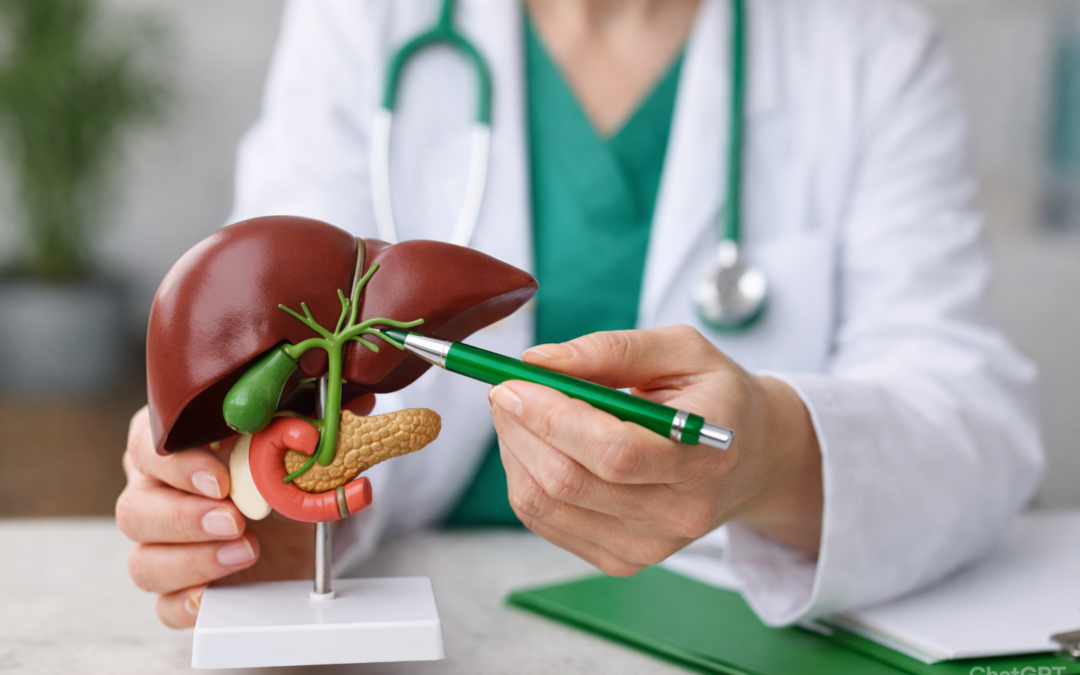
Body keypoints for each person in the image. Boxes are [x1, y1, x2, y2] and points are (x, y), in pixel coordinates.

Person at [117, 0, 1044, 630]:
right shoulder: (367, 20)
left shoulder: (866, 44)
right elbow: (271, 317)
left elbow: (972, 416)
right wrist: (253, 519)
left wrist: (772, 456)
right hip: (425, 598)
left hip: (721, 617)